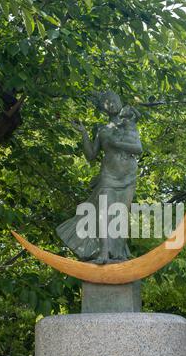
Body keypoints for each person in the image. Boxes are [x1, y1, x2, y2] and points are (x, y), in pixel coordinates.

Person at [56, 90, 143, 264]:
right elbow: (91, 155)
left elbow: (138, 149)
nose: (111, 104)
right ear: (103, 108)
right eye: (106, 102)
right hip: (108, 175)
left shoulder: (129, 124)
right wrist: (83, 133)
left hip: (127, 176)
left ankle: (118, 253)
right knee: (104, 212)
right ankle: (103, 253)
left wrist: (118, 143)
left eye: (114, 100)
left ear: (119, 101)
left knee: (120, 214)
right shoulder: (102, 129)